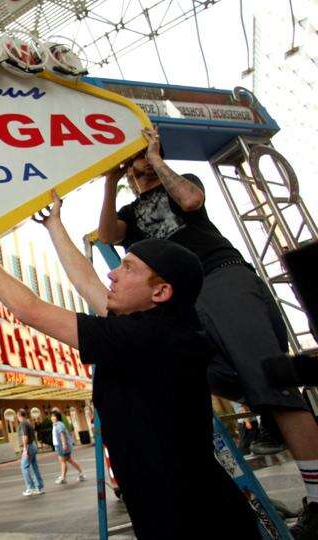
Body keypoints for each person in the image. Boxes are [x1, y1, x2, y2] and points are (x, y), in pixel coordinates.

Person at [0, 193, 260, 539]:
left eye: (128, 267)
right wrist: (54, 224)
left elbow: (32, 310)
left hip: (193, 520)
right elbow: (87, 283)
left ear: (160, 292)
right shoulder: (158, 327)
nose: (113, 274)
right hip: (183, 507)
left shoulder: (149, 338)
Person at [98, 126, 318, 537]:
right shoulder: (130, 213)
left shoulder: (181, 182)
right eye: (132, 167)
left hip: (219, 275)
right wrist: (111, 181)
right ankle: (267, 416)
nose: (135, 170)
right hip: (183, 300)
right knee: (206, 374)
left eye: (137, 161)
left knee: (270, 378)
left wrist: (155, 159)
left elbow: (191, 200)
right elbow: (108, 235)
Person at [51, 411, 85, 485]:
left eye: (53, 416)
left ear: (57, 417)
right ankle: (80, 474)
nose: (52, 418)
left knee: (63, 461)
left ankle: (63, 477)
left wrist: (64, 445)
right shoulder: (56, 424)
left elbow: (62, 435)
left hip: (62, 446)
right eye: (52, 416)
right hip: (60, 446)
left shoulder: (59, 425)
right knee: (69, 460)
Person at [16, 409, 45, 495]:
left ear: (19, 415)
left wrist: (25, 449)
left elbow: (25, 436)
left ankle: (30, 488)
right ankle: (39, 487)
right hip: (33, 445)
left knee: (24, 467)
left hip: (28, 446)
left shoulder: (23, 423)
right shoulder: (28, 422)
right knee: (34, 466)